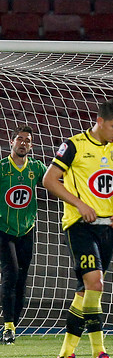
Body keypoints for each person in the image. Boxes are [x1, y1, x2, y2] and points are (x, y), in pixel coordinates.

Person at [43, 99, 113, 358]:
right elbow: (49, 180)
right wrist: (79, 205)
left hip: (108, 226)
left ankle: (65, 356)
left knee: (86, 292)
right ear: (100, 121)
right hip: (79, 224)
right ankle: (100, 354)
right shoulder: (74, 145)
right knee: (95, 284)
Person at [0, 126, 47, 345]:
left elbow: (56, 180)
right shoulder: (1, 168)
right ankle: (8, 325)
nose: (23, 143)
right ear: (11, 142)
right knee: (10, 275)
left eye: (27, 140)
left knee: (21, 280)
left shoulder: (37, 168)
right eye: (19, 139)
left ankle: (11, 327)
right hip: (4, 230)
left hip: (27, 230)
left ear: (32, 145)